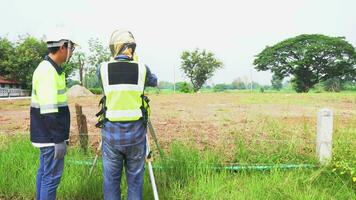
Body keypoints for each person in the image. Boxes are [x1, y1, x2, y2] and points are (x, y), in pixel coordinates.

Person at [96, 29, 157, 200]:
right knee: (135, 182)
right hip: (137, 136)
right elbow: (154, 81)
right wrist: (137, 63)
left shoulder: (102, 69)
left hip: (111, 137)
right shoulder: (142, 69)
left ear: (114, 48)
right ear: (132, 48)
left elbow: (100, 79)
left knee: (111, 182)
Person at [30, 29, 77, 200]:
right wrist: (58, 140)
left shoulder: (50, 69)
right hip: (50, 137)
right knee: (51, 178)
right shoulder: (47, 72)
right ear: (63, 47)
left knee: (44, 174)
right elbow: (49, 112)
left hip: (46, 135)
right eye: (71, 47)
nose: (71, 52)